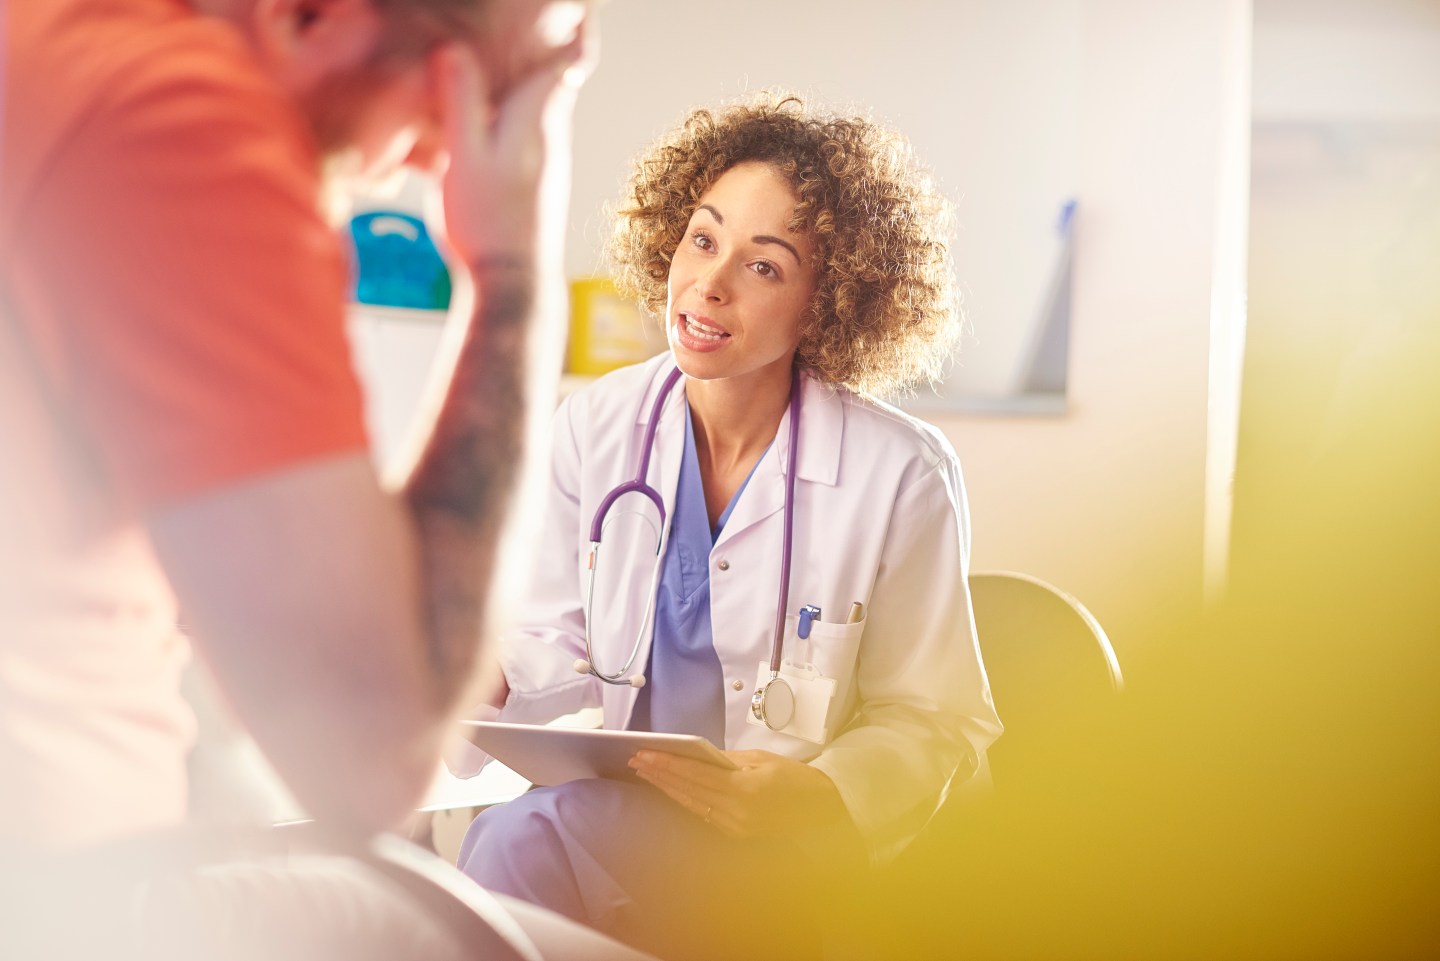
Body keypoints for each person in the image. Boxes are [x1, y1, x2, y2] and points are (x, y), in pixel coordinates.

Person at [0, 0, 649, 958]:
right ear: (317, 18)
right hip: (75, 903)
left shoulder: (54, 48)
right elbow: (373, 766)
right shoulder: (177, 122)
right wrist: (512, 267)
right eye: (455, 110)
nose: (433, 168)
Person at [448, 93, 1003, 960]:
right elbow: (550, 646)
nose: (709, 283)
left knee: (517, 842)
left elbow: (938, 722)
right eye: (703, 239)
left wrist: (818, 796)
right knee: (518, 837)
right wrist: (484, 680)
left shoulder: (900, 473)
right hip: (616, 830)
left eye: (766, 266)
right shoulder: (597, 426)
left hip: (788, 856)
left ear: (828, 302)